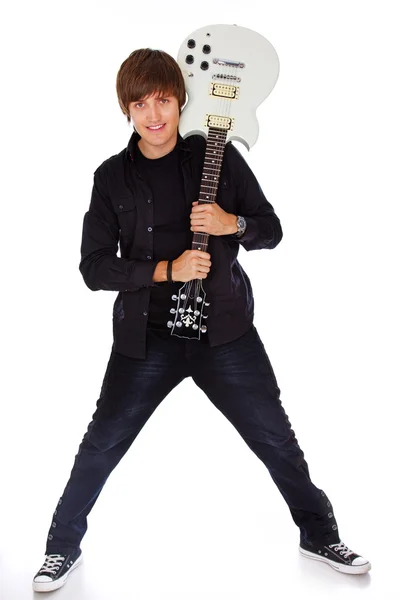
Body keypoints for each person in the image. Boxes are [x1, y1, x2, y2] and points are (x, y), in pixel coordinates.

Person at [32, 48, 371, 592]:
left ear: (181, 98)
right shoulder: (111, 178)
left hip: (225, 334)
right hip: (146, 338)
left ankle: (318, 533)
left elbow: (271, 229)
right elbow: (94, 269)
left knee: (275, 439)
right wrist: (167, 268)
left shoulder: (219, 158)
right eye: (139, 103)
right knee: (102, 443)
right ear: (127, 110)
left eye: (162, 99)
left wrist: (230, 222)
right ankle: (59, 548)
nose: (153, 114)